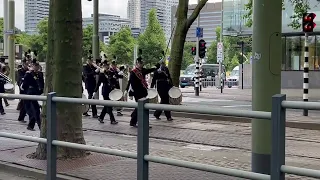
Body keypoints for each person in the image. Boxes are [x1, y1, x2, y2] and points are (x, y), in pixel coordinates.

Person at [125, 57, 157, 127]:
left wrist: (156, 66)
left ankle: (133, 119)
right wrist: (127, 91)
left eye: (142, 63)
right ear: (137, 64)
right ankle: (142, 123)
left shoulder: (143, 70)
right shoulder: (133, 72)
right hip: (137, 92)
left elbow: (149, 70)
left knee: (139, 108)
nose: (141, 64)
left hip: (143, 92)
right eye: (140, 63)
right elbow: (131, 82)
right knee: (141, 108)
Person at [21, 61, 44, 131]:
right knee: (33, 111)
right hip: (30, 94)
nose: (36, 67)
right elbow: (24, 85)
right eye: (35, 65)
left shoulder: (40, 74)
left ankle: (34, 126)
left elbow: (42, 84)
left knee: (36, 111)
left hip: (36, 94)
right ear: (33, 66)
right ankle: (37, 126)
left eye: (37, 66)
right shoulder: (29, 74)